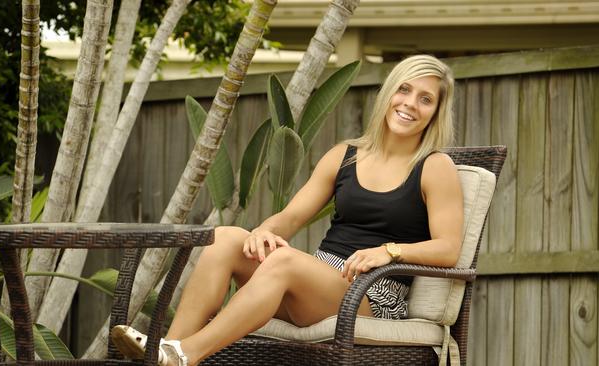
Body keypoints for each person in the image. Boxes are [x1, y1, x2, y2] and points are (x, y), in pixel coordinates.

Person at [111, 54, 464, 366]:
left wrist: (388, 252)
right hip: (319, 281)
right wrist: (265, 232)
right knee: (226, 238)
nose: (410, 104)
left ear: (435, 112)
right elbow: (292, 217)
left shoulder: (434, 166)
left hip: (373, 295)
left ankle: (186, 354)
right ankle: (168, 351)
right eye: (404, 90)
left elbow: (449, 249)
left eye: (426, 99)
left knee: (283, 263)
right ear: (388, 93)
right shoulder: (345, 156)